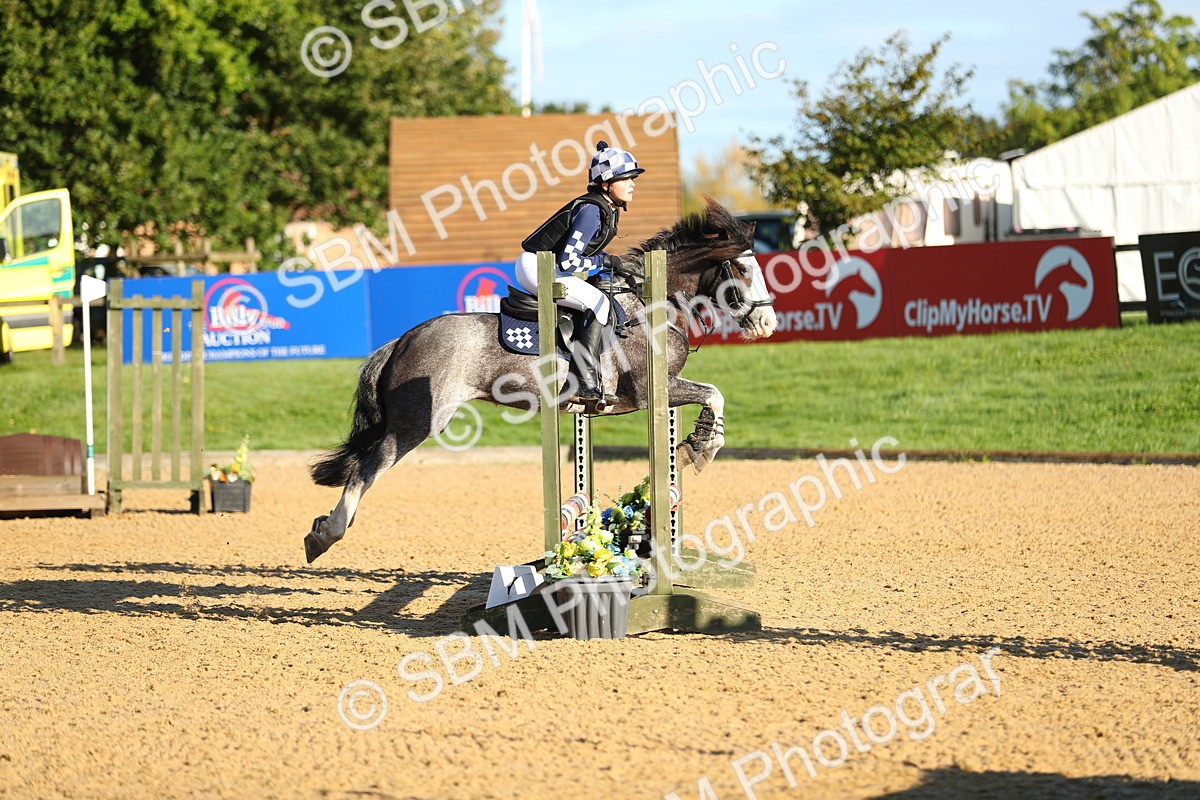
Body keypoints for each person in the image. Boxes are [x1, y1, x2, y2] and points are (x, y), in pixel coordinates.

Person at [515, 141, 643, 407]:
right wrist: (604, 260)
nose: (632, 184)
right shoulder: (592, 211)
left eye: (633, 179)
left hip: (545, 265)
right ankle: (582, 382)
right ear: (606, 183)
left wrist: (606, 263)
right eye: (625, 179)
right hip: (537, 267)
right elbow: (569, 261)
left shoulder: (603, 208)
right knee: (600, 303)